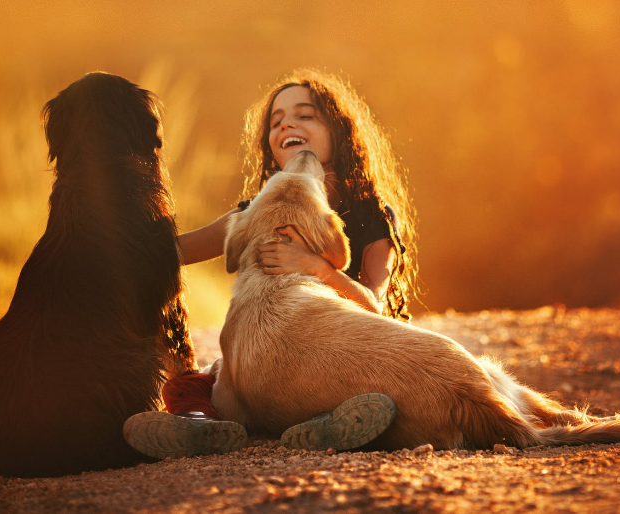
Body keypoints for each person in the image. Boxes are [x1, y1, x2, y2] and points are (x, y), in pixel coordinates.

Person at [123, 69, 419, 459]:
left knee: (376, 393)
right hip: (270, 363)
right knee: (193, 383)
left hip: (340, 357)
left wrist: (315, 265)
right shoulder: (255, 214)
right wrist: (113, 223)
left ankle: (322, 424)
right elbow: (170, 253)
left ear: (339, 132)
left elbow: (374, 306)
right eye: (277, 121)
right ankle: (201, 426)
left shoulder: (372, 216)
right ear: (271, 147)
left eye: (305, 115)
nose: (288, 124)